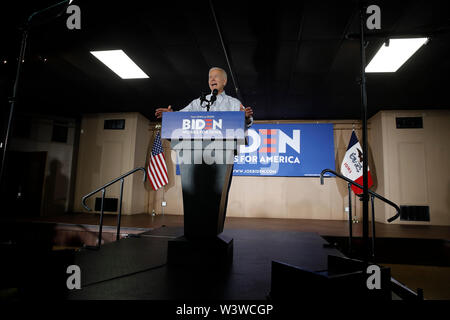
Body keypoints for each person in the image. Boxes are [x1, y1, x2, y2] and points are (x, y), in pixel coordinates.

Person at [155, 67, 253, 126]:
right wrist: (171, 115)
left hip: (225, 150)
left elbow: (249, 122)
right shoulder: (198, 102)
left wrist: (245, 117)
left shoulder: (234, 103)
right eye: (210, 77)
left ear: (224, 81)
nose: (212, 79)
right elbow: (182, 116)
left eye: (216, 76)